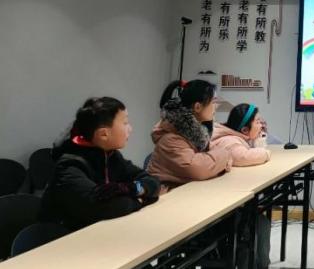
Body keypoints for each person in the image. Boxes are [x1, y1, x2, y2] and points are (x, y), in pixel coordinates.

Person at [40, 97, 160, 231]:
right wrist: (140, 200)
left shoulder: (110, 155)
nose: (130, 129)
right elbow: (105, 207)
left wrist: (135, 189)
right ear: (103, 134)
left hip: (102, 231)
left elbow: (152, 181)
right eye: (125, 123)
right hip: (65, 238)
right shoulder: (69, 167)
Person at [211, 103, 272, 269]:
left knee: (260, 222)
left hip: (226, 203)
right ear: (245, 130)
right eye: (258, 122)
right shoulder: (228, 141)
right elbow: (244, 157)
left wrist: (258, 142)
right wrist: (264, 151)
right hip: (219, 210)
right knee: (258, 224)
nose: (262, 125)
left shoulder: (235, 137)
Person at [146, 80, 232, 189]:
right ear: (197, 107)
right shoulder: (171, 139)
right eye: (213, 102)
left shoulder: (198, 132)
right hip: (165, 196)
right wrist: (225, 155)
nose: (216, 106)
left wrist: (221, 158)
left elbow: (212, 153)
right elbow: (199, 169)